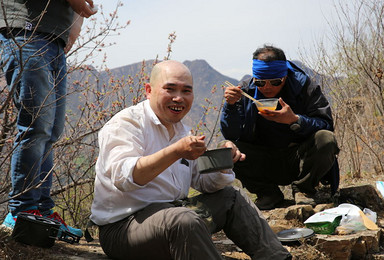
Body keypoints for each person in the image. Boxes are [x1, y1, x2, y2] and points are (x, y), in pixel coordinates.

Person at [90, 60, 291, 260]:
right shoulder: (126, 124)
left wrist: (223, 162)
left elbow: (204, 182)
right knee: (183, 220)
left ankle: (276, 257)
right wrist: (175, 152)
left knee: (231, 196)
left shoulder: (182, 131)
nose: (179, 98)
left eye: (186, 91)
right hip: (124, 229)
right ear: (149, 90)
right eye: (170, 89)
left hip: (173, 213)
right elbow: (124, 178)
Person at [0, 0, 97, 238]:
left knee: (51, 131)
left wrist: (74, 23)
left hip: (54, 38)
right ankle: (22, 213)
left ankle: (41, 212)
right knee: (35, 128)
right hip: (25, 31)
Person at [220, 44, 340, 210]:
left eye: (275, 82)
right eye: (261, 82)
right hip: (263, 160)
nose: (267, 87)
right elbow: (231, 134)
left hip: (298, 159)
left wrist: (295, 120)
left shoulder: (303, 87)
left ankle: (304, 189)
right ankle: (268, 194)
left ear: (285, 76)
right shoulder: (245, 91)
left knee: (326, 138)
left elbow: (326, 124)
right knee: (228, 149)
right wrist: (230, 106)